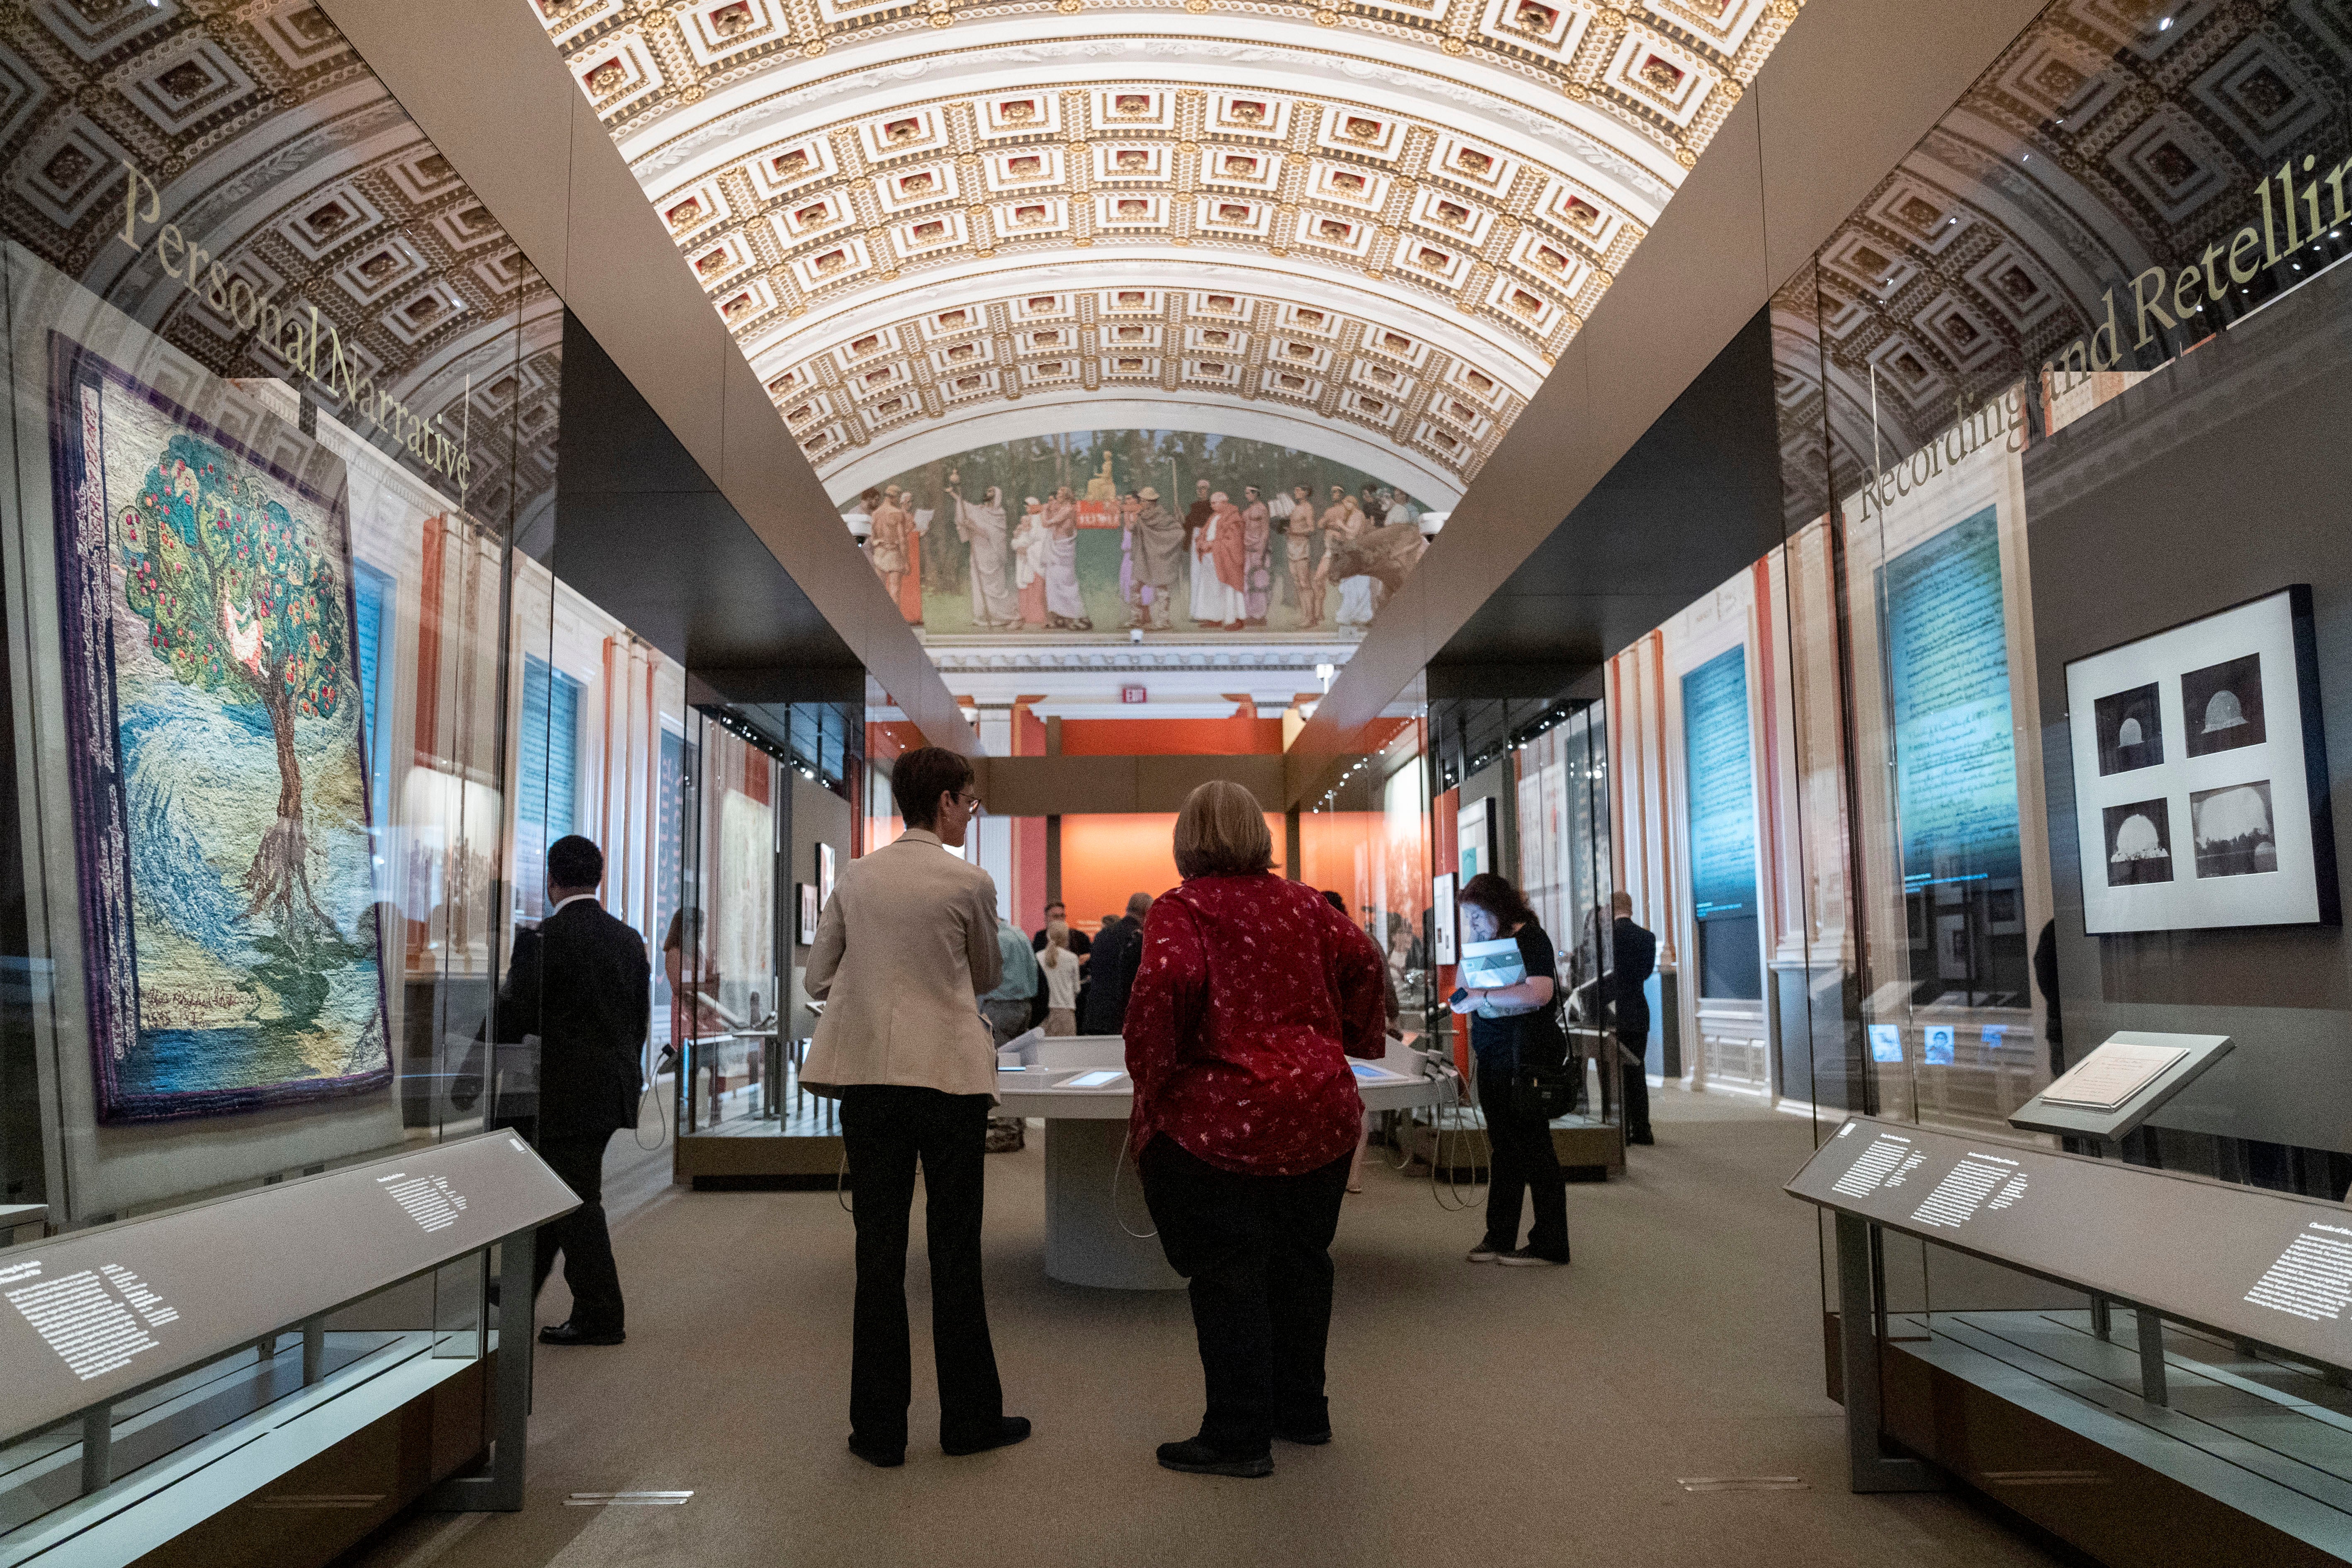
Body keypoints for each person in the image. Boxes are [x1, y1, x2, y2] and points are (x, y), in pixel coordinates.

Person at [1125, 782, 1389, 1478]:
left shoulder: (1182, 909)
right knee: (1303, 1262)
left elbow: (1165, 982)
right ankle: (1301, 1410)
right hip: (1320, 1114)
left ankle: (1238, 1434)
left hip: (1223, 1123)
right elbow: (1366, 961)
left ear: (1188, 839)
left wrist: (1153, 1078)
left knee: (1228, 1273)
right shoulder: (1306, 903)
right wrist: (1355, 1041)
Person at [802, 748, 1030, 1466]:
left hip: (871, 1081)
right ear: (943, 802)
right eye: (969, 800)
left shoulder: (857, 877)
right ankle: (968, 1420)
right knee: (955, 1252)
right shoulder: (968, 881)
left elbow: (818, 975)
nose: (971, 812)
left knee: (878, 1252)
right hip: (950, 1080)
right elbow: (988, 973)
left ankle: (878, 1430)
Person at [491, 834, 649, 1347]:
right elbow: (638, 1021)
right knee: (556, 1186)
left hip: (558, 1093)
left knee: (576, 1198)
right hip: (611, 1088)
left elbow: (514, 1016)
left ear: (551, 880)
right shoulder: (628, 939)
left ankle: (602, 1313)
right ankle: (519, 1287)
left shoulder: (542, 939)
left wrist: (469, 1064)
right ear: (597, 878)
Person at [1453, 871, 1570, 1267]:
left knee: (1535, 1146)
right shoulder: (1490, 941)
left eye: (1477, 917)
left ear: (1498, 909)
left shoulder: (1531, 937)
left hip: (1526, 1055)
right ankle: (1499, 1235)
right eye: (1469, 920)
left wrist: (1484, 995)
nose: (1474, 926)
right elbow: (1460, 987)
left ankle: (1550, 1242)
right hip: (1496, 1055)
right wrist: (1475, 941)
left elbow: (1541, 992)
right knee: (1504, 1146)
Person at [978, 914, 1040, 1154]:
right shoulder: (1020, 934)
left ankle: (1007, 1132)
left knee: (1000, 1070)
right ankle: (1017, 1122)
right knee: (1016, 1069)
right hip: (1024, 1006)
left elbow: (986, 978)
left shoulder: (994, 939)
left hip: (1000, 1006)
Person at [1608, 892, 1656, 1145]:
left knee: (1615, 1072)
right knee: (1637, 1069)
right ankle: (1642, 1129)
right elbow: (1646, 973)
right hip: (1638, 1009)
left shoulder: (1606, 937)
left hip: (1612, 1011)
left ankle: (1621, 1129)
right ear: (1631, 908)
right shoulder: (1648, 938)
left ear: (1611, 909)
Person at [950, 481, 1020, 630]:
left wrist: (973, 527)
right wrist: (953, 494)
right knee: (978, 583)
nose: (987, 494)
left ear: (996, 497)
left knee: (994, 588)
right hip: (978, 551)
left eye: (991, 492)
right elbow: (965, 507)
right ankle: (985, 616)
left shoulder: (999, 514)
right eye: (987, 491)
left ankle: (1012, 616)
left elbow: (991, 535)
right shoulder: (981, 510)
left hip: (991, 554)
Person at [1080, 892, 1152, 1034]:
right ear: (1146, 910)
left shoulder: (1102, 935)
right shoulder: (1139, 938)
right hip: (1123, 1015)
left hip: (1096, 1013)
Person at [1191, 491, 1248, 630]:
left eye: (1215, 503)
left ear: (1224, 502)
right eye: (1211, 503)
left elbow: (1233, 541)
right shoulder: (1213, 517)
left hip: (1226, 559)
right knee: (1212, 588)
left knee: (1228, 588)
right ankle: (1215, 618)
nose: (1212, 505)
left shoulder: (1234, 518)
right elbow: (1203, 534)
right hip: (1211, 559)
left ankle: (1235, 620)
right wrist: (1202, 543)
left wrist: (1211, 544)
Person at [1134, 486, 1185, 630]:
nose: (1141, 503)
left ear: (1151, 502)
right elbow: (1136, 533)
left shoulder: (1163, 517)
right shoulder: (1141, 517)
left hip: (1160, 556)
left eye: (1143, 501)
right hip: (1145, 557)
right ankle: (1137, 618)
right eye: (1141, 500)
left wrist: (1163, 544)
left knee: (1162, 587)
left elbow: (1179, 533)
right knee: (1135, 585)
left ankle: (1164, 620)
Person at [1042, 486, 1090, 629]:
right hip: (1056, 548)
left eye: (1060, 494)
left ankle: (1079, 616)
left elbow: (1046, 523)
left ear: (1067, 497)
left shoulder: (1069, 509)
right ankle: (1064, 617)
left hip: (1064, 551)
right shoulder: (1062, 509)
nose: (1057, 496)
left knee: (1066, 583)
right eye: (1057, 493)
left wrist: (1044, 511)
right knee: (1054, 582)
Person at [1283, 485, 1319, 628]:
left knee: (1305, 583)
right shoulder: (1295, 508)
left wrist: (1295, 532)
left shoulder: (1308, 508)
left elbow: (1312, 529)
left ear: (1306, 493)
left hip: (1302, 547)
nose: (1296, 492)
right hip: (1291, 547)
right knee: (1298, 583)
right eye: (1295, 490)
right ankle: (1305, 617)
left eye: (1299, 490)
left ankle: (1311, 618)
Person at [868, 486, 911, 608]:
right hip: (893, 554)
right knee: (894, 589)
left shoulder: (875, 514)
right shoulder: (897, 513)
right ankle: (895, 621)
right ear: (894, 497)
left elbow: (872, 538)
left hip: (879, 554)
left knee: (880, 590)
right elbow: (902, 540)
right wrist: (906, 562)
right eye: (898, 498)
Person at [1040, 918, 1080, 1034]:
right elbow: (1076, 989)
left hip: (1044, 1013)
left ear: (1048, 935)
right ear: (1067, 937)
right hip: (1066, 1012)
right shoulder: (1072, 958)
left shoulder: (1038, 957)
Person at [1240, 484, 1272, 627]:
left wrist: (1261, 552)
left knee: (1260, 582)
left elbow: (1265, 532)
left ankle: (1260, 615)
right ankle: (1249, 613)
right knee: (1247, 582)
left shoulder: (1262, 509)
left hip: (1259, 550)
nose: (1247, 495)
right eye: (1246, 493)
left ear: (1256, 494)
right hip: (1247, 549)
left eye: (1249, 493)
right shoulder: (1247, 511)